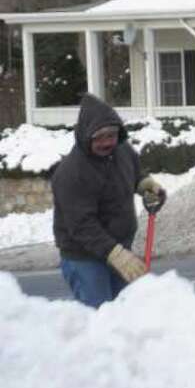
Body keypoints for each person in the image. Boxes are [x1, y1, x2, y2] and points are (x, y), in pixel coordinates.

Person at [51, 93, 166, 307]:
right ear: (87, 136)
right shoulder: (71, 173)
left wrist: (145, 186)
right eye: (100, 137)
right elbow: (82, 226)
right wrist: (117, 255)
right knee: (100, 319)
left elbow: (134, 175)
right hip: (84, 258)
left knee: (125, 317)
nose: (107, 142)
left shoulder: (122, 151)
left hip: (119, 249)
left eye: (111, 135)